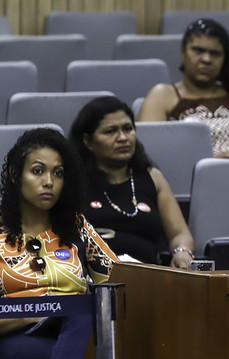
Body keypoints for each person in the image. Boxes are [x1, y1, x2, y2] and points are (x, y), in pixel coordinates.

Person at [0, 128, 119, 359]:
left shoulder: (76, 226)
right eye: (37, 171)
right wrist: (45, 307)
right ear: (15, 174)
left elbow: (119, 282)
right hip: (16, 342)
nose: (49, 182)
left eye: (58, 173)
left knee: (83, 311)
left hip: (78, 336)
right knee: (93, 348)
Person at [70, 96, 195, 268]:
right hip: (90, 275)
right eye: (110, 131)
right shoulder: (73, 181)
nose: (122, 138)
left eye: (128, 129)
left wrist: (181, 251)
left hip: (148, 276)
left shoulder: (153, 177)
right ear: (88, 141)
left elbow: (179, 233)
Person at [137, 18, 229, 158]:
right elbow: (147, 154)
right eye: (198, 51)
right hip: (187, 176)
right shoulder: (163, 95)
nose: (206, 59)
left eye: (215, 53)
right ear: (183, 52)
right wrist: (209, 160)